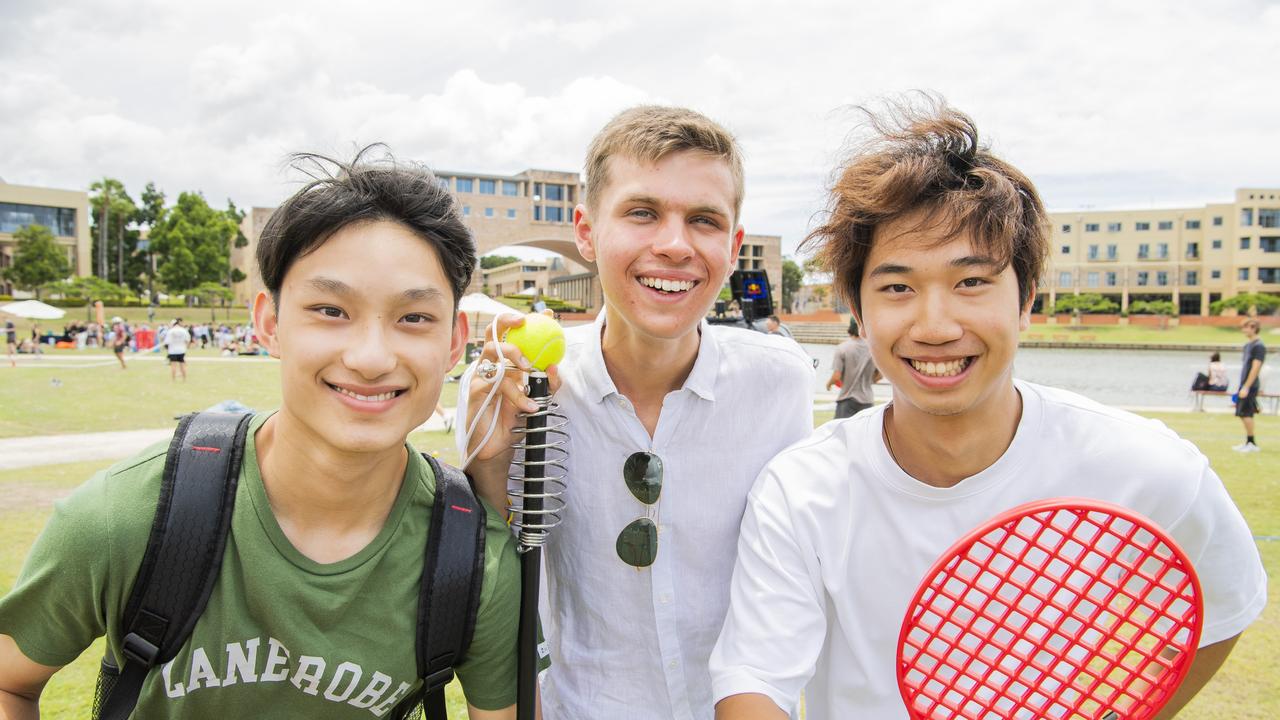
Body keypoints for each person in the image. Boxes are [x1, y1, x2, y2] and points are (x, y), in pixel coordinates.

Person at [710, 102, 1267, 720]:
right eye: (897, 287)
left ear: (1025, 298)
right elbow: (755, 677)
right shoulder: (802, 489)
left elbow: (1224, 605)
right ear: (860, 315)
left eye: (971, 282)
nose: (936, 325)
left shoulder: (1147, 465)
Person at [0, 149, 520, 717]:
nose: (371, 358)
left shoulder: (475, 559)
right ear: (269, 324)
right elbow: (10, 682)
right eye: (330, 310)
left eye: (413, 318)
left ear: (453, 342)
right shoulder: (126, 515)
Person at [458, 106, 815, 720]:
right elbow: (497, 585)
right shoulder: (518, 384)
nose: (674, 245)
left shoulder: (779, 379)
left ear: (733, 247)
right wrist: (488, 464)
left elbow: (786, 587)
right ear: (586, 231)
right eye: (642, 212)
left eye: (703, 220)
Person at [827, 317, 880, 418]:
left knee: (841, 433)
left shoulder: (842, 348)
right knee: (865, 433)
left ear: (850, 327)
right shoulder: (873, 350)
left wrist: (828, 384)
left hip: (846, 400)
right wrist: (867, 382)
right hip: (867, 401)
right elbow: (879, 376)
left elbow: (836, 377)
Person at [1233, 318, 1266, 452]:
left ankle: (1252, 443)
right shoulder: (1248, 345)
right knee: (1242, 413)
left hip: (1250, 385)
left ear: (1253, 328)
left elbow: (1255, 368)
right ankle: (1248, 442)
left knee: (1247, 413)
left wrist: (1247, 386)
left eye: (1246, 327)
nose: (1244, 330)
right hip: (1244, 384)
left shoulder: (1259, 346)